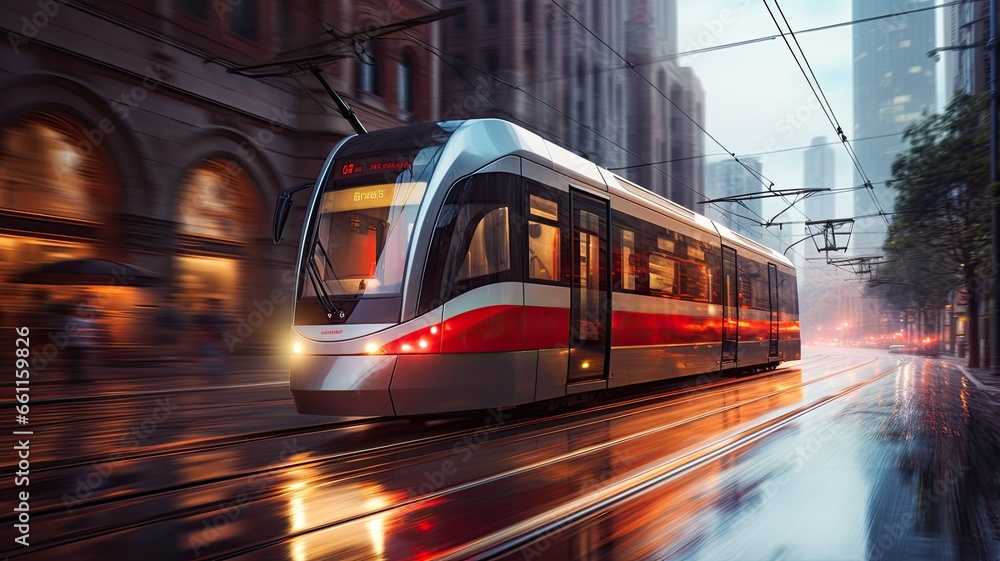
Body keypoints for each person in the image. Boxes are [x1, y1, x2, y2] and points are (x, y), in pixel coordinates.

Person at [196, 298, 227, 374]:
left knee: (213, 355)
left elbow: (222, 328)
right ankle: (213, 370)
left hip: (213, 339)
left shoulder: (214, 315)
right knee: (212, 355)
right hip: (210, 338)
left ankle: (213, 370)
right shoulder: (210, 315)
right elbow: (202, 326)